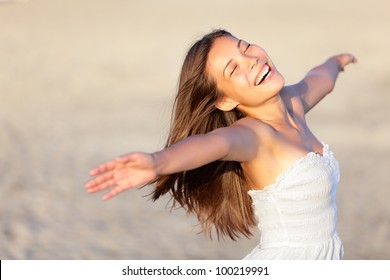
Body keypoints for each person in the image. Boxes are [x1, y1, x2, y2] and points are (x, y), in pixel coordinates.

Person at [85, 29, 357, 259]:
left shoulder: (294, 102)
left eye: (246, 47)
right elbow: (212, 143)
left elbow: (321, 79)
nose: (251, 59)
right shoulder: (252, 136)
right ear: (225, 101)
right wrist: (158, 162)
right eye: (233, 68)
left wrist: (337, 61)